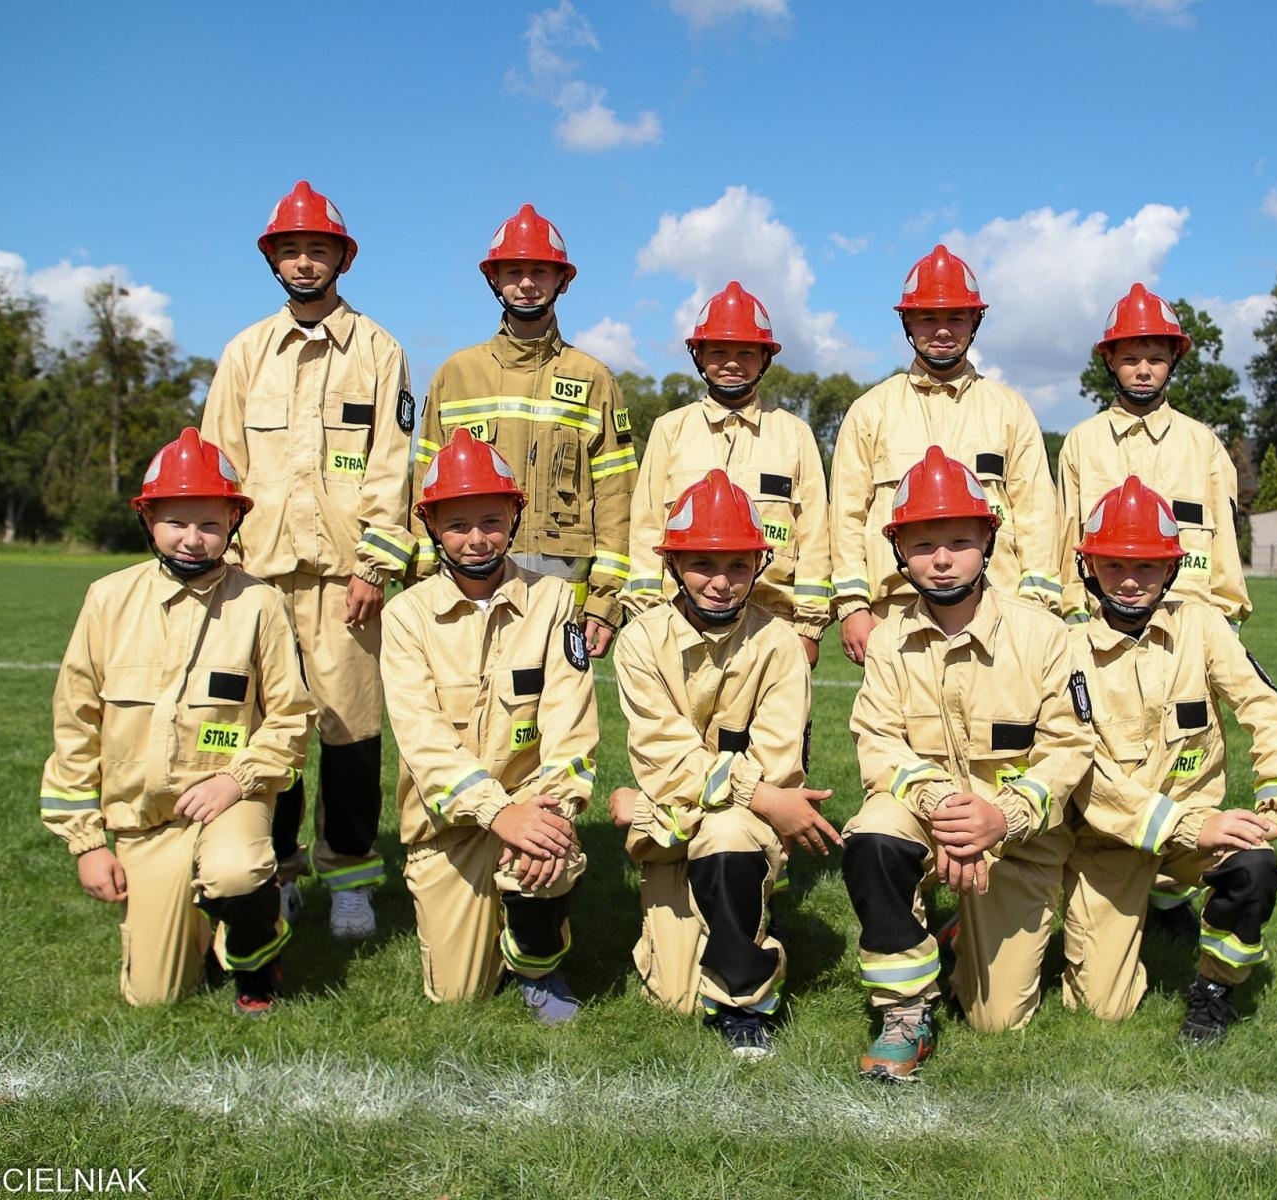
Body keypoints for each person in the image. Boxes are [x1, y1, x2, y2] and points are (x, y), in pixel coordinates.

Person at [202, 181, 416, 940]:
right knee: (272, 733)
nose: (304, 263)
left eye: (317, 250)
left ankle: (350, 878)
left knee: (351, 734)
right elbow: (220, 463)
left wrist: (373, 567)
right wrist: (225, 566)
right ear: (273, 259)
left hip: (343, 581)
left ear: (342, 259)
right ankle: (281, 870)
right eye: (290, 250)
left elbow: (392, 466)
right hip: (256, 579)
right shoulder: (244, 353)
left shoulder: (379, 351)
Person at [39, 429, 314, 1014]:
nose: (192, 538)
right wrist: (86, 844)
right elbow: (75, 723)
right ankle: (199, 921)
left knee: (237, 871)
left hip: (228, 801)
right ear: (148, 519)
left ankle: (255, 958)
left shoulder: (260, 604)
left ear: (233, 523)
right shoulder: (107, 599)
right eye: (176, 522)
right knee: (154, 997)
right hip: (143, 820)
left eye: (210, 524)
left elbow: (291, 717)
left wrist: (236, 780)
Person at [841, 447, 1093, 1081]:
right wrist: (949, 813)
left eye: (959, 540)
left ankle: (957, 931)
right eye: (923, 544)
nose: (943, 559)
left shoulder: (1045, 636)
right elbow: (878, 743)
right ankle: (905, 1009)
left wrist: (1000, 819)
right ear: (899, 551)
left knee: (996, 1019)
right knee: (872, 836)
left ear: (988, 540)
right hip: (930, 824)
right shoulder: (888, 642)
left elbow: (1068, 748)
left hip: (1016, 839)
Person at [1062, 476, 1277, 1044]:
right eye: (1113, 565)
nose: (1130, 580)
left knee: (1253, 866)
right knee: (1099, 1010)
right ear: (1089, 567)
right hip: (1106, 841)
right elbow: (1085, 778)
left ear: (1172, 569)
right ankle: (1147, 902)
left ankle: (1214, 993)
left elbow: (1264, 707)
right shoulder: (1065, 651)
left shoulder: (1202, 626)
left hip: (1195, 833)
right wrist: (1185, 825)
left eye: (1147, 566)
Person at [608, 469, 837, 1059]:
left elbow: (778, 765)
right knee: (676, 998)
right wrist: (758, 796)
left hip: (721, 826)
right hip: (678, 830)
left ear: (759, 565)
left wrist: (646, 810)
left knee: (730, 830)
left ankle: (744, 1000)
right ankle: (741, 911)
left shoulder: (781, 644)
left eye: (738, 565)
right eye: (703, 564)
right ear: (673, 564)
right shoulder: (640, 642)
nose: (720, 582)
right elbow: (664, 757)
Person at [380, 428, 596, 1023]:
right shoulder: (405, 616)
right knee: (458, 993)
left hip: (532, 804)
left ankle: (537, 962)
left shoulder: (554, 600)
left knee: (548, 858)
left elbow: (571, 723)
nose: (476, 539)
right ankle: (495, 925)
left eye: (491, 521)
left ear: (514, 517)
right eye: (457, 525)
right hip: (448, 823)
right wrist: (496, 811)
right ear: (430, 526)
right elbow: (422, 739)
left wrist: (553, 813)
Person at [415, 203, 637, 659]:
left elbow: (618, 496)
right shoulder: (455, 376)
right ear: (494, 279)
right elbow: (423, 485)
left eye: (540, 271)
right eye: (514, 271)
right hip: (466, 589)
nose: (527, 283)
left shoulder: (594, 379)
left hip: (564, 598)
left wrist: (605, 600)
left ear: (562, 280)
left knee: (560, 705)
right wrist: (422, 578)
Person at [829, 245, 1062, 665]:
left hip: (997, 614)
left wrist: (1033, 609)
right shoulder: (870, 412)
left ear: (975, 321)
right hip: (894, 617)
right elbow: (845, 517)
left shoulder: (1010, 410)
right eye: (928, 318)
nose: (942, 330)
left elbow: (1038, 515)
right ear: (907, 322)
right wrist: (853, 607)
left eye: (955, 317)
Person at [621, 281, 832, 665]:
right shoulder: (670, 430)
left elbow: (815, 535)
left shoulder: (795, 434)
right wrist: (649, 618)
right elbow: (646, 527)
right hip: (680, 624)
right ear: (699, 355)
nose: (732, 362)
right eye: (718, 351)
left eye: (746, 352)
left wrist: (808, 628)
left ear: (765, 357)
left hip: (773, 625)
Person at [1055, 283, 1250, 631]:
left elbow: (1226, 552)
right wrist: (1076, 625)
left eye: (1156, 359)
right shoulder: (1081, 444)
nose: (1143, 371)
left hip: (1187, 630)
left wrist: (1225, 629)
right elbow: (1067, 545)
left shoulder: (1203, 446)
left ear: (1173, 359)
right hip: (1101, 630)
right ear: (1109, 360)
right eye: (1130, 359)